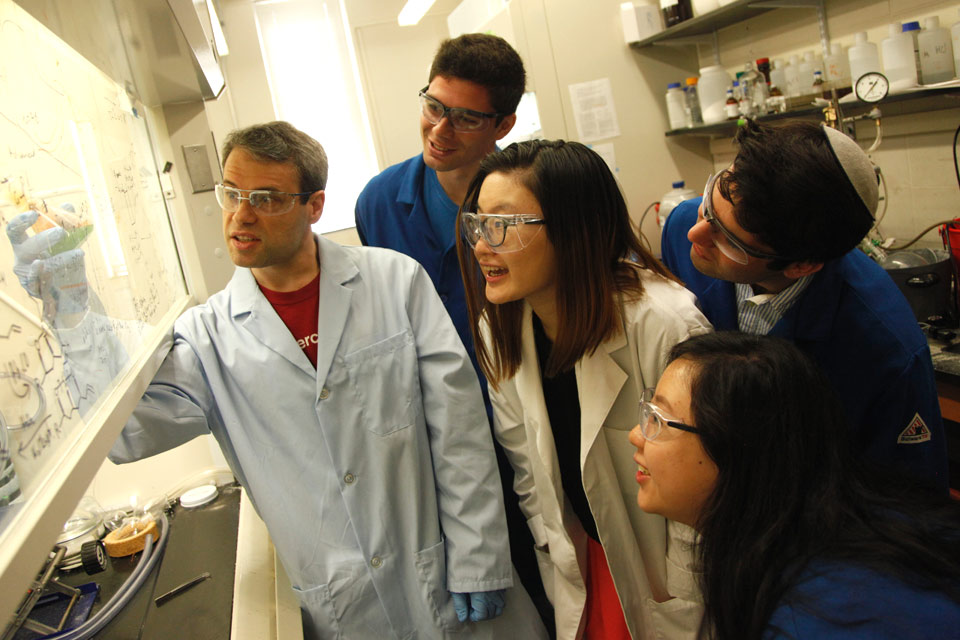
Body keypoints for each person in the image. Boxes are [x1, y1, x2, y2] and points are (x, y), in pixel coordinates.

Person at [103, 121, 547, 639]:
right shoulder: (207, 338)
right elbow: (125, 434)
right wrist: (70, 318)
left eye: (266, 198)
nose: (240, 216)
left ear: (314, 206)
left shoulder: (393, 280)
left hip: (447, 574)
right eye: (232, 193)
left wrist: (478, 553)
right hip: (344, 603)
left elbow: (460, 430)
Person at [456, 139, 712, 639]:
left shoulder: (664, 324)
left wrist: (685, 593)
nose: (483, 244)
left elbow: (703, 489)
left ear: (574, 231)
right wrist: (553, 547)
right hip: (585, 560)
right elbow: (528, 470)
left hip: (668, 570)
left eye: (503, 225)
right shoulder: (502, 327)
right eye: (478, 223)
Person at [354, 33, 553, 626]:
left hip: (526, 413)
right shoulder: (381, 202)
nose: (440, 129)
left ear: (504, 123)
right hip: (441, 437)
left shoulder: (532, 198)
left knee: (551, 570)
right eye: (434, 106)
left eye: (465, 118)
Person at [660, 119, 948, 491]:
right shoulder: (687, 226)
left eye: (729, 240)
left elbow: (908, 510)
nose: (695, 233)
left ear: (800, 265)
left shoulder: (885, 352)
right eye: (710, 203)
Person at [628, 331, 960, 639]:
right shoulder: (831, 524)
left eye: (659, 420)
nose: (636, 436)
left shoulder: (820, 618)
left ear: (738, 451)